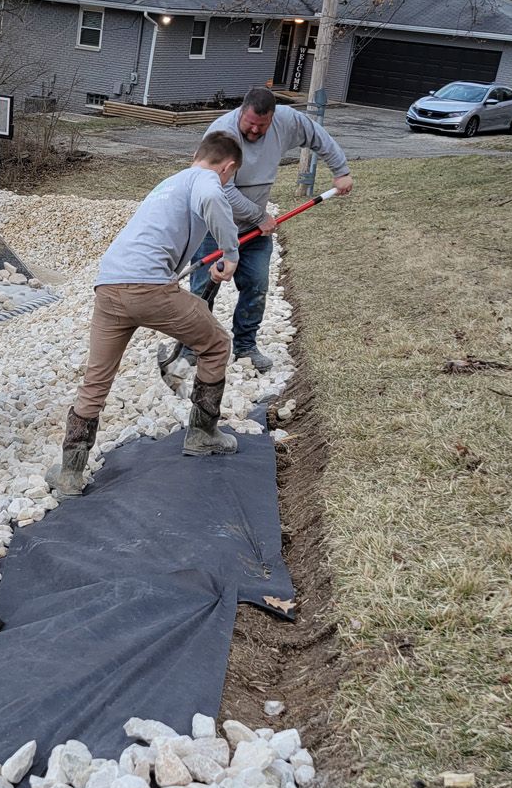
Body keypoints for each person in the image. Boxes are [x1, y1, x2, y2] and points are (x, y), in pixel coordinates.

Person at [48, 130, 246, 499]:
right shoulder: (206, 181)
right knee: (217, 344)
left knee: (96, 379)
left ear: (197, 153)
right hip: (148, 288)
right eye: (229, 176)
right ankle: (202, 434)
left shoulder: (169, 183)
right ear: (228, 166)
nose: (225, 183)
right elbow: (211, 198)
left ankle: (70, 472)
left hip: (108, 286)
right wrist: (230, 254)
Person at [189, 87, 352, 373]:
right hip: (213, 225)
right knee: (203, 288)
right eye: (249, 123)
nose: (254, 130)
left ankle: (246, 346)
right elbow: (221, 190)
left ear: (273, 118)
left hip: (254, 231)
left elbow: (317, 136)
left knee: (256, 284)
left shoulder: (287, 121)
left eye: (261, 125)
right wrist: (260, 216)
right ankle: (193, 346)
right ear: (241, 111)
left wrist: (341, 170)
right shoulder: (222, 134)